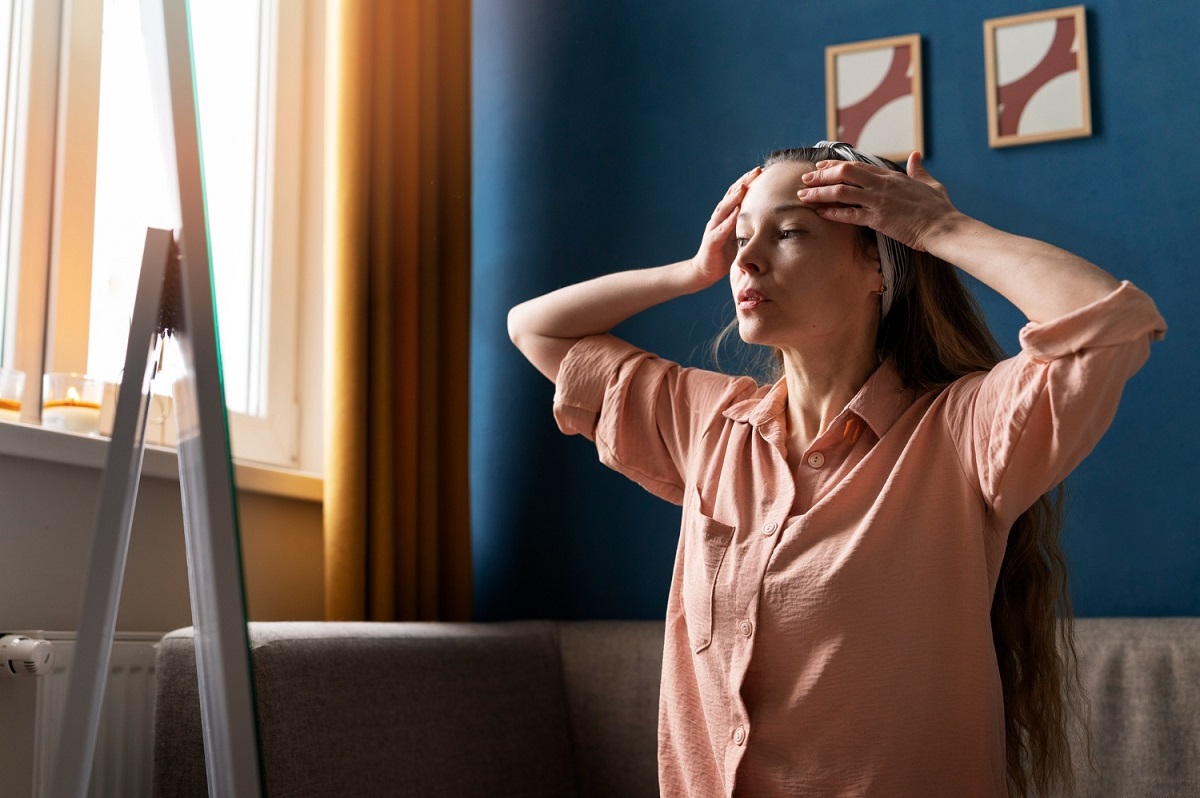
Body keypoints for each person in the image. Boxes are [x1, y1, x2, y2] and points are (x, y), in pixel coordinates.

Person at [507, 142, 1165, 798]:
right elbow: (535, 329)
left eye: (789, 232)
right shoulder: (710, 423)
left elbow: (1108, 325)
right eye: (741, 237)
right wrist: (687, 271)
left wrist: (937, 229)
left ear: (878, 267)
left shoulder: (961, 434)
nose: (747, 259)